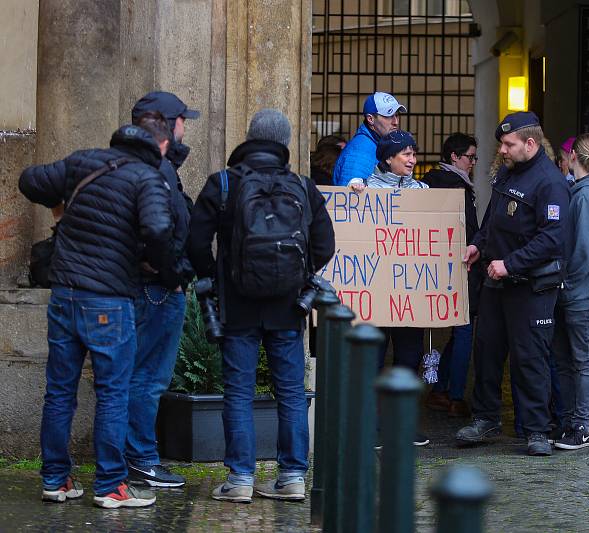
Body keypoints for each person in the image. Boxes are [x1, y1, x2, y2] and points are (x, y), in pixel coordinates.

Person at [19, 114, 174, 508]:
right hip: (109, 301)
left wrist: (59, 204)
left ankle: (55, 479)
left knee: (59, 392)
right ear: (160, 147)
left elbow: (29, 179)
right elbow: (158, 230)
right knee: (112, 393)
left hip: (64, 294)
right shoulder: (146, 178)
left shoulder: (82, 161)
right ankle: (110, 486)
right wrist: (155, 266)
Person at [188, 109, 335, 503]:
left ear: (249, 137)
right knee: (290, 391)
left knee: (238, 391)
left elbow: (195, 242)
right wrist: (296, 275)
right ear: (285, 142)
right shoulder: (303, 187)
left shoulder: (223, 184)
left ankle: (239, 479)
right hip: (289, 306)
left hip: (237, 306)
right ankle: (291, 476)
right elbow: (325, 246)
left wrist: (215, 276)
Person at [455, 112, 570, 457]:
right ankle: (486, 418)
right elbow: (493, 220)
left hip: (529, 286)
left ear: (530, 144)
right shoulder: (507, 172)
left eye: (508, 144)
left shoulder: (550, 182)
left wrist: (511, 264)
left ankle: (537, 429)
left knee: (530, 358)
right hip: (496, 281)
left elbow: (552, 238)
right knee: (487, 353)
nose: (502, 150)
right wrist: (478, 243)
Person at [125, 91, 200, 489]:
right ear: (168, 126)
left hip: (150, 286)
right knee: (148, 378)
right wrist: (174, 274)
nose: (187, 127)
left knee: (139, 375)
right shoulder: (157, 169)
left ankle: (135, 457)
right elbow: (159, 230)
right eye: (183, 120)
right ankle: (140, 459)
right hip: (157, 289)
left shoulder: (142, 164)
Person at [350, 129, 430, 446]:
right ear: (388, 158)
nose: (412, 160)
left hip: (410, 293)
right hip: (377, 292)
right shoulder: (364, 190)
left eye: (413, 153)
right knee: (374, 360)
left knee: (410, 358)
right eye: (406, 154)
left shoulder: (423, 191)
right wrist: (352, 193)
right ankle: (372, 426)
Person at [551, 133, 589, 450]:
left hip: (582, 294)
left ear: (572, 155)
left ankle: (580, 427)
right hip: (578, 292)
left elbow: (586, 250)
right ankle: (569, 423)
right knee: (566, 360)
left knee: (583, 361)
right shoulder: (584, 192)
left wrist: (567, 280)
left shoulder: (587, 196)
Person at [422, 133, 480, 418]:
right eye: (470, 156)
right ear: (454, 157)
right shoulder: (458, 186)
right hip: (461, 266)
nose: (473, 162)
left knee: (456, 331)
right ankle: (455, 395)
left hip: (433, 267)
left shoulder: (428, 182)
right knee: (464, 330)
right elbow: (468, 228)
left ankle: (440, 389)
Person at [332, 91, 406, 186]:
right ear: (370, 119)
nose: (395, 122)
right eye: (389, 116)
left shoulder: (375, 145)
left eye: (396, 115)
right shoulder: (360, 152)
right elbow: (350, 197)